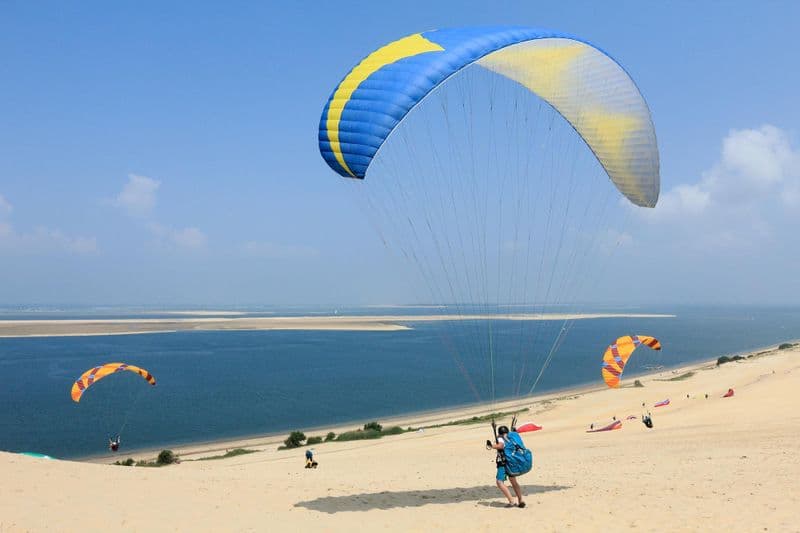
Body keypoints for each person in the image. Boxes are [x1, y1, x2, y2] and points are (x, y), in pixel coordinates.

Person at [486, 426, 525, 508]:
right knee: (513, 481)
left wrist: (491, 446)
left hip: (503, 462)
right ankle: (521, 500)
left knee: (499, 482)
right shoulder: (511, 437)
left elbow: (501, 445)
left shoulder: (500, 438)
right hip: (512, 461)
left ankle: (511, 501)